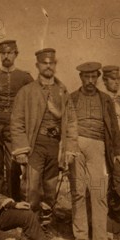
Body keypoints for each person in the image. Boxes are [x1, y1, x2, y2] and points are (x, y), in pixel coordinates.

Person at [10, 48, 79, 220]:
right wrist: (20, 150)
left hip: (55, 146)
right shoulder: (26, 92)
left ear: (55, 65)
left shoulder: (63, 92)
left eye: (51, 63)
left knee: (50, 187)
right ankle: (29, 224)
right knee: (31, 188)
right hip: (35, 144)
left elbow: (71, 122)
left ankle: (45, 224)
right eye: (44, 63)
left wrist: (70, 149)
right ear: (37, 65)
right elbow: (17, 121)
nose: (48, 66)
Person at [69, 62, 120, 240]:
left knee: (99, 191)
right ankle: (81, 236)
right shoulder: (72, 98)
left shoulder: (105, 100)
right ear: (81, 78)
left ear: (98, 78)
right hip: (76, 145)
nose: (91, 81)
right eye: (87, 77)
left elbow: (116, 130)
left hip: (98, 146)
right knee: (78, 190)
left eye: (94, 77)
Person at [0, 40, 34, 198]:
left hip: (14, 125)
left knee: (13, 166)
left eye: (9, 53)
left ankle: (14, 200)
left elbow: (35, 101)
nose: (6, 56)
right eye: (3, 53)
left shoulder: (25, 77)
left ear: (16, 54)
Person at [101, 65, 120, 145]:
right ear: (104, 81)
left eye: (118, 79)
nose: (117, 82)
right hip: (108, 145)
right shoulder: (101, 100)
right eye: (113, 79)